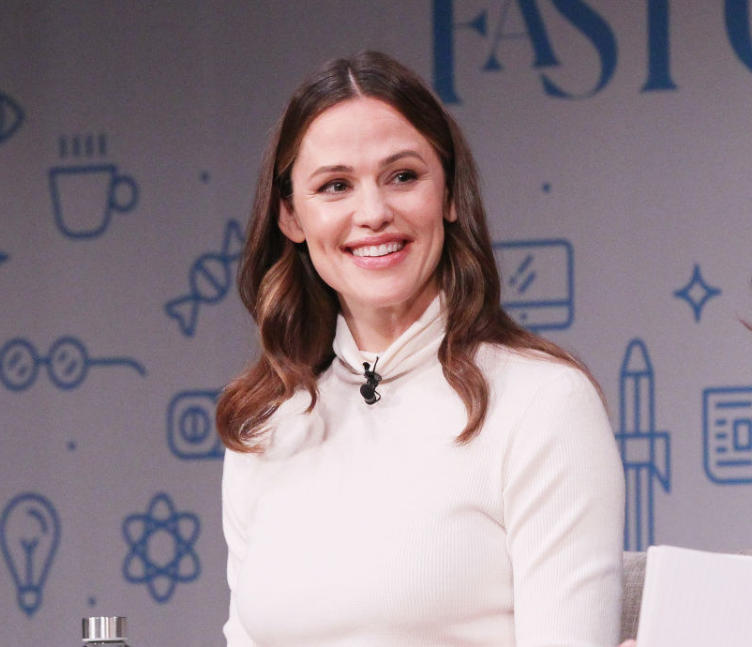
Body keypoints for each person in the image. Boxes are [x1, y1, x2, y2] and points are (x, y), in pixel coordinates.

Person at [217, 51, 626, 646]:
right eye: (335, 186)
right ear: (291, 216)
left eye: (402, 176)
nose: (374, 213)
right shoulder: (264, 425)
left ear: (450, 194)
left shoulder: (541, 401)